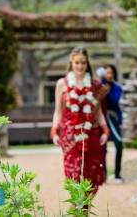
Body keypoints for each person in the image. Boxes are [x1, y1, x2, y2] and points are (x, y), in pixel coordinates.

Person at [50, 46, 110, 205]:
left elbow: (98, 113)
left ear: (87, 63)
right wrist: (54, 130)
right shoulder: (61, 84)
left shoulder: (94, 85)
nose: (80, 66)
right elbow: (58, 111)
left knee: (91, 176)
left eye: (83, 63)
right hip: (70, 138)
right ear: (71, 62)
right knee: (74, 176)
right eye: (77, 63)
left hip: (91, 136)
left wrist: (105, 130)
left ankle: (83, 211)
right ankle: (77, 211)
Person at [96, 64, 124, 182]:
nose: (109, 75)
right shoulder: (98, 86)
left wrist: (107, 89)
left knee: (119, 144)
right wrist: (101, 88)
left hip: (113, 119)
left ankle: (117, 174)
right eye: (107, 73)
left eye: (111, 73)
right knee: (103, 147)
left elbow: (114, 101)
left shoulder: (117, 88)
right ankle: (103, 175)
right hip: (101, 119)